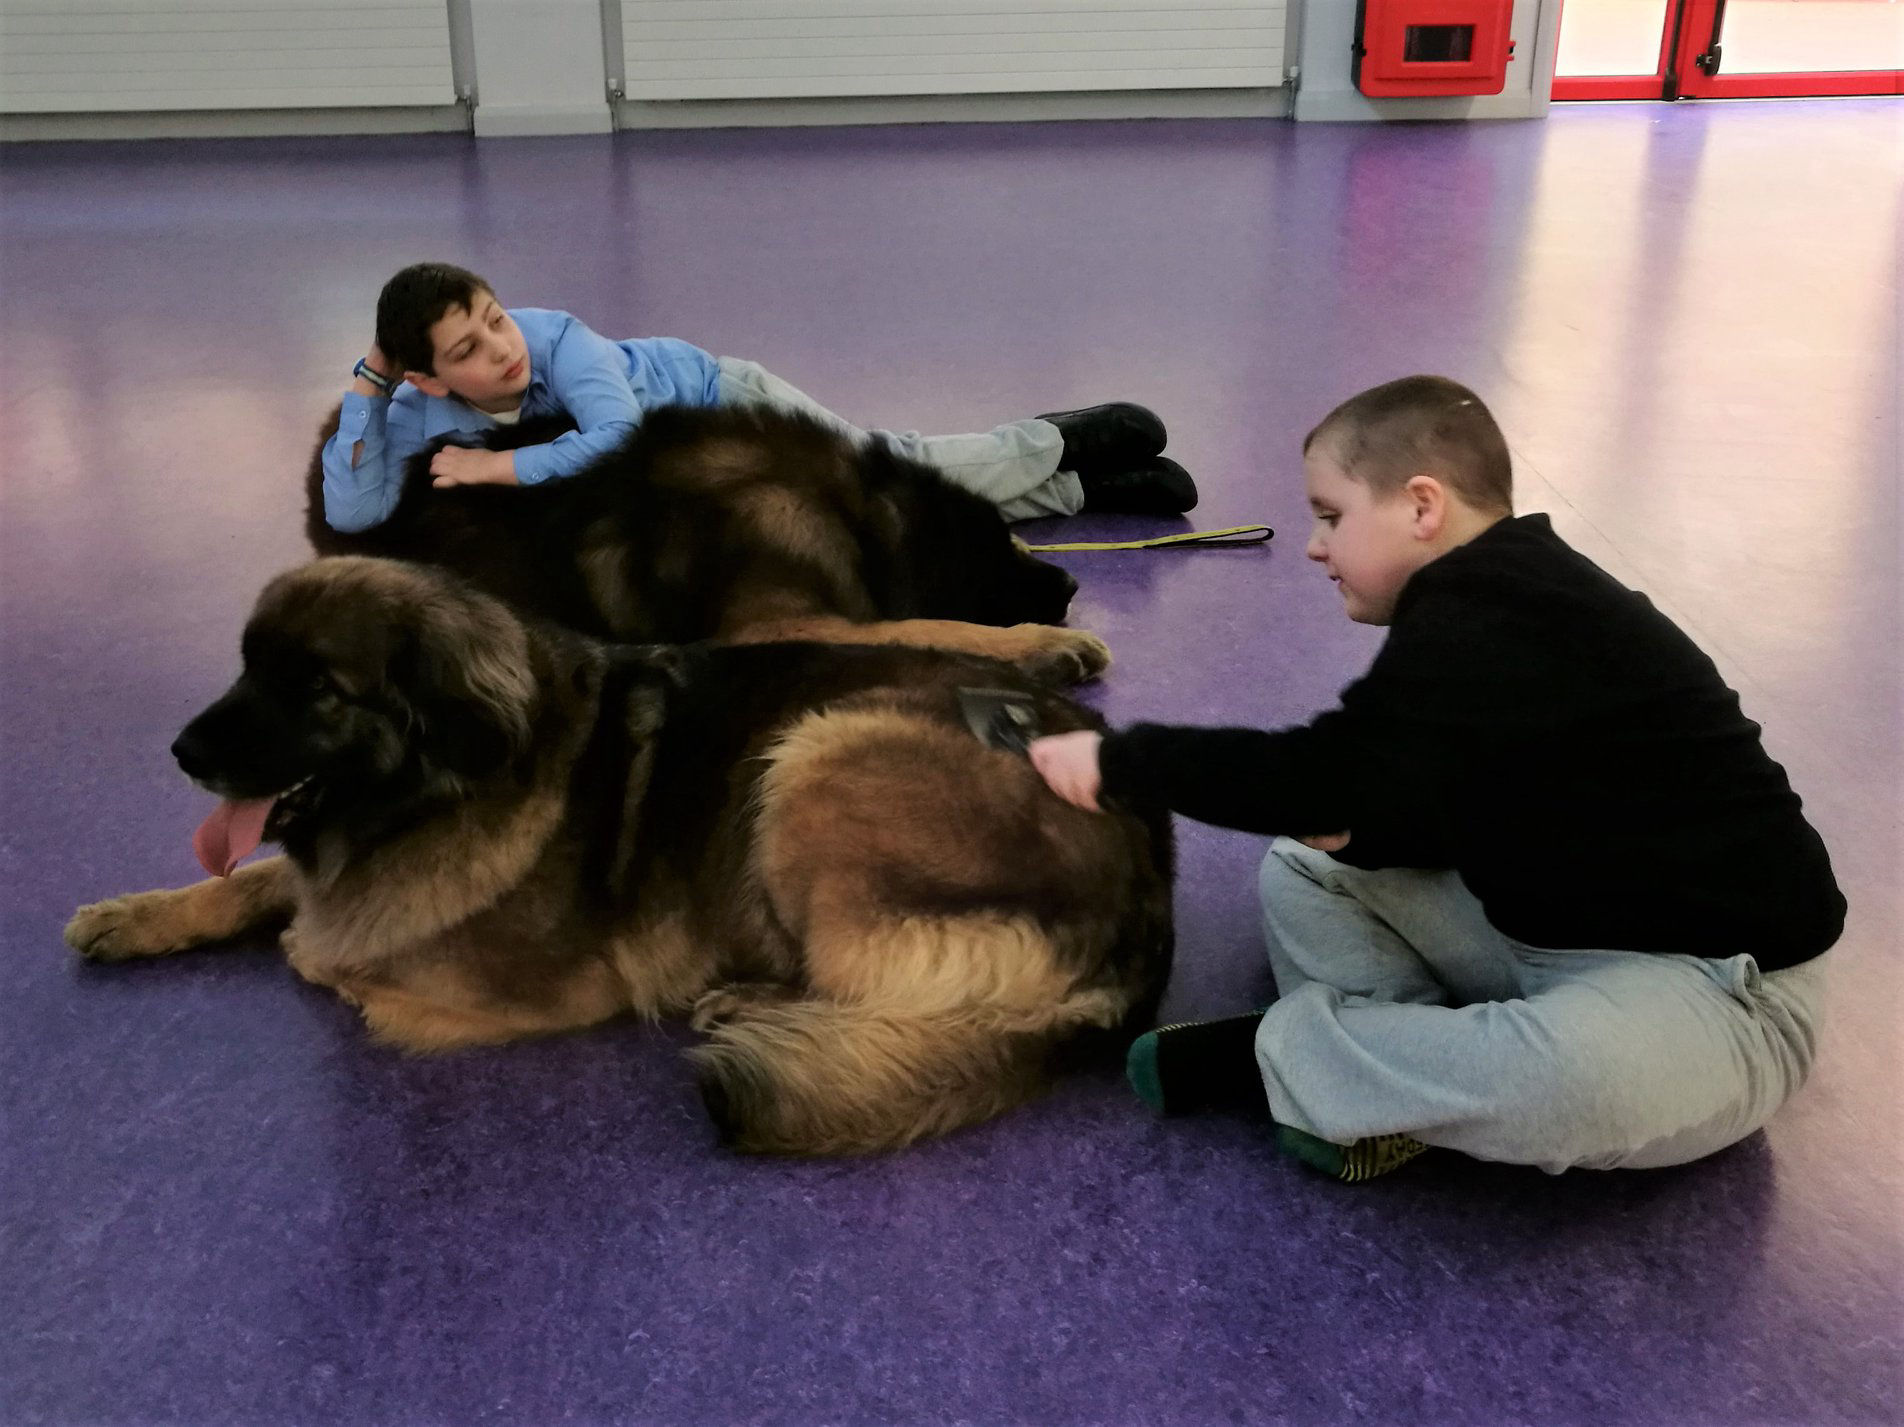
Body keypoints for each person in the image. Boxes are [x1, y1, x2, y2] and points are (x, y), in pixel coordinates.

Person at [1029, 375, 1844, 1182]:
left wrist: (1121, 762)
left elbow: (1322, 776)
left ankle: (1291, 1055)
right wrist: (1360, 821)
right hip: (1552, 934)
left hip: (1723, 990)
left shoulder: (1499, 607)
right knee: (1307, 866)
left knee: (1577, 1087)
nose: (1316, 545)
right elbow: (1421, 794)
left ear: (1422, 505)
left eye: (1331, 517)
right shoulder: (1488, 602)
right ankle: (1387, 1079)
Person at [321, 262, 1197, 534]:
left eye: (495, 318)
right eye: (469, 349)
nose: (503, 349)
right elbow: (354, 512)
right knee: (870, 527)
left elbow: (617, 433)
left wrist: (497, 467)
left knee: (884, 473)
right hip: (691, 480)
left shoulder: (558, 338)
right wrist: (369, 379)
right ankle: (1086, 491)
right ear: (428, 378)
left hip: (724, 401)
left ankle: (1057, 440)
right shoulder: (415, 407)